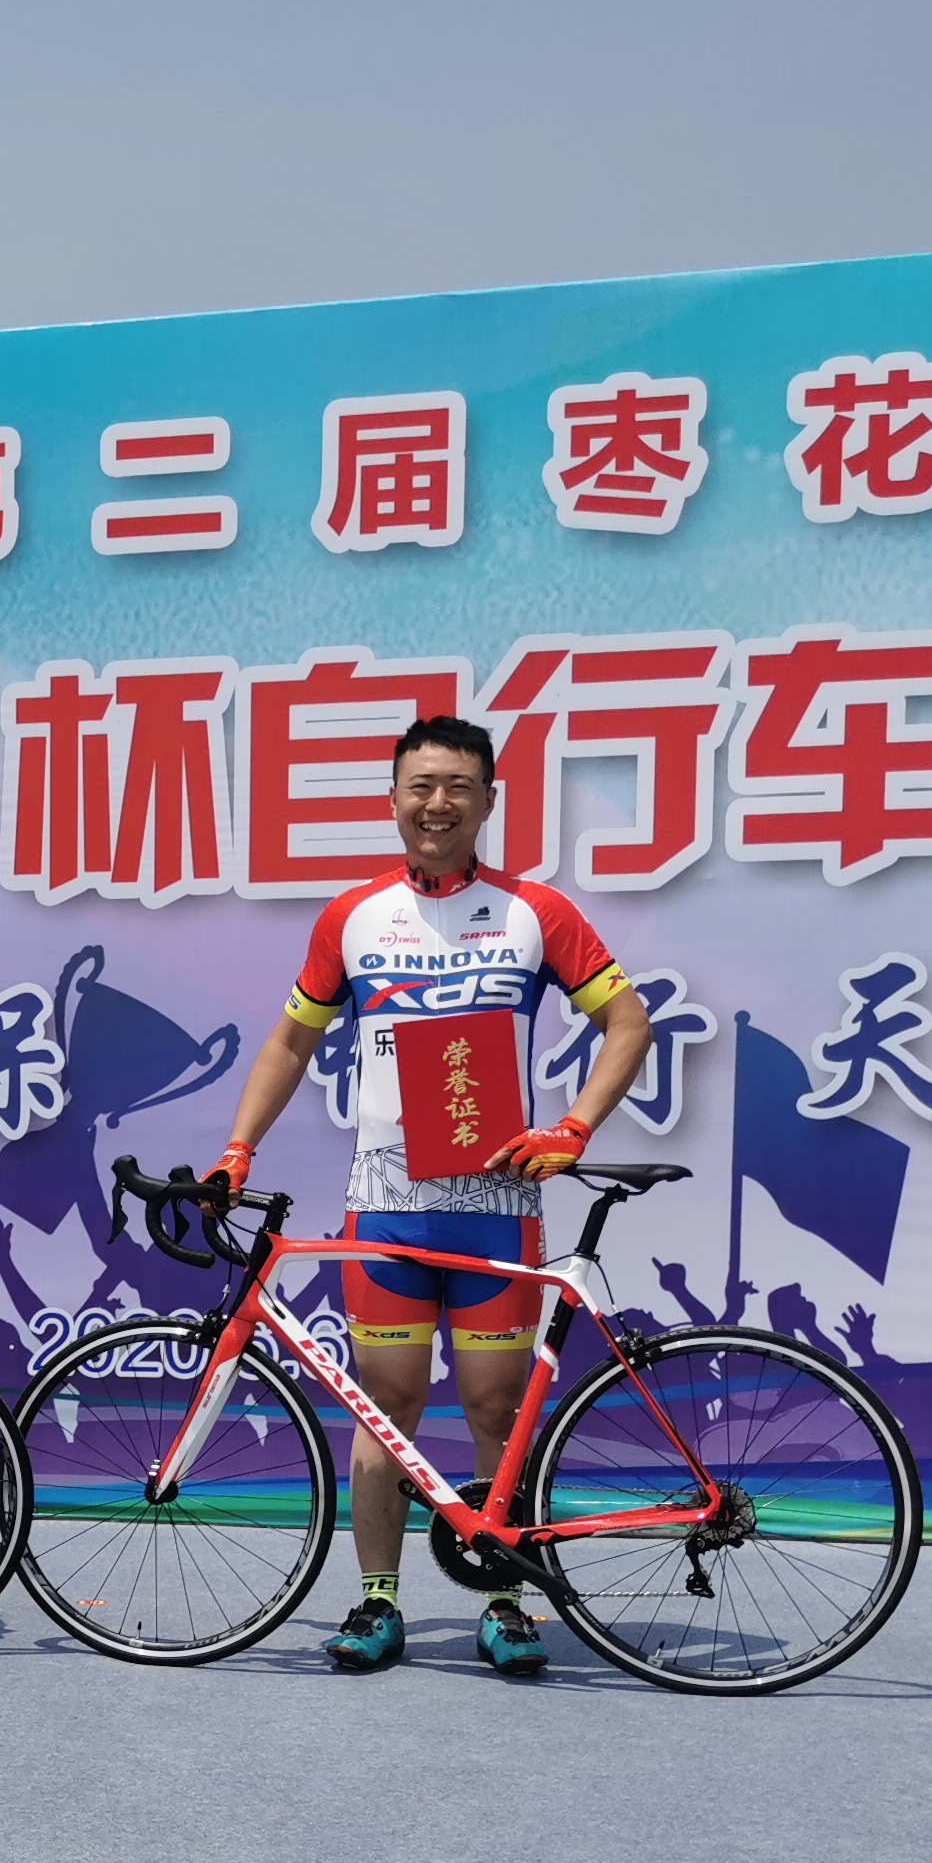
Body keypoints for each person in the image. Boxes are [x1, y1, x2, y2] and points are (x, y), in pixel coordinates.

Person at [207, 714, 652, 1676]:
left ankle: (505, 1600)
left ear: (489, 800)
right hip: (387, 1206)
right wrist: (239, 1149)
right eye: (421, 785)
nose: (437, 803)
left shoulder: (536, 911)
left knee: (495, 1408)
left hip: (496, 1207)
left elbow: (627, 1021)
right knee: (386, 1405)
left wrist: (573, 1129)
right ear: (394, 799)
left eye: (458, 786)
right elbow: (290, 1041)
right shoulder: (353, 916)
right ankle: (377, 1600)